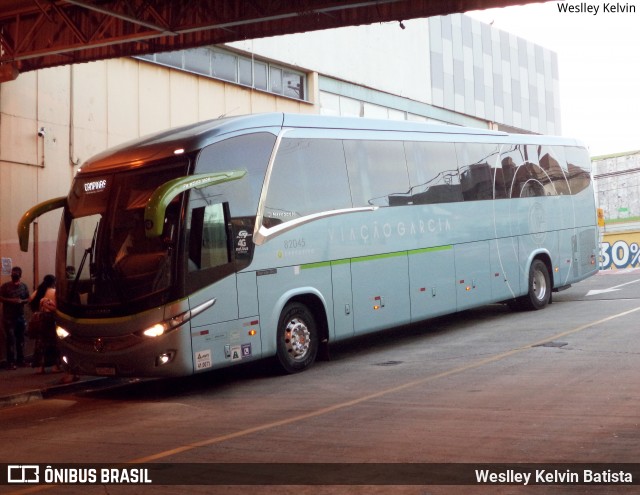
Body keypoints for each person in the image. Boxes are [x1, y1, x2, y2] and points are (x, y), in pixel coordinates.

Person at [29, 274, 61, 373]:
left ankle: (40, 367)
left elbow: (30, 301)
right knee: (53, 343)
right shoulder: (54, 292)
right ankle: (55, 366)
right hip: (51, 319)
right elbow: (56, 307)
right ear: (53, 282)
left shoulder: (38, 291)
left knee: (40, 343)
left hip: (40, 318)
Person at [0, 266, 30, 370]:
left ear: (20, 275)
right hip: (9, 317)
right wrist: (10, 300)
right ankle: (10, 362)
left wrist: (22, 301)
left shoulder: (23, 286)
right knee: (10, 339)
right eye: (13, 273)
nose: (15, 275)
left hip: (20, 316)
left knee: (21, 339)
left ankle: (21, 360)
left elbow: (28, 298)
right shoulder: (5, 286)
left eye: (16, 273)